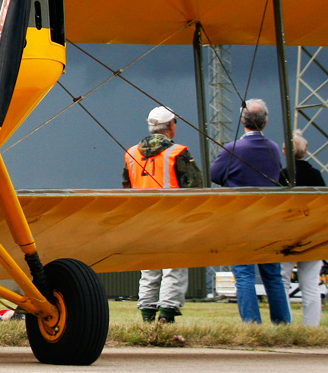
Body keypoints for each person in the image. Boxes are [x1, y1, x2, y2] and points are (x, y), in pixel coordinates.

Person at [210, 98, 292, 324]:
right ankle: (282, 323)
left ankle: (251, 323)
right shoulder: (274, 148)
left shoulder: (232, 149)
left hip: (240, 218)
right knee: (272, 275)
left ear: (242, 120)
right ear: (265, 122)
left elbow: (215, 175)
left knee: (244, 274)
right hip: (267, 217)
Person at [122, 106, 203, 324]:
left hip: (143, 219)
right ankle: (166, 315)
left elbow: (126, 187)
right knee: (173, 267)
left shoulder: (131, 153)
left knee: (149, 267)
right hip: (172, 219)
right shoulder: (177, 152)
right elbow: (195, 187)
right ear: (171, 126)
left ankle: (147, 315)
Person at [280, 130, 325, 326]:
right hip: (313, 233)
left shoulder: (283, 176)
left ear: (285, 152)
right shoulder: (316, 175)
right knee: (311, 284)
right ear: (305, 152)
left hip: (287, 235)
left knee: (282, 282)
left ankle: (284, 324)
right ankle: (311, 327)